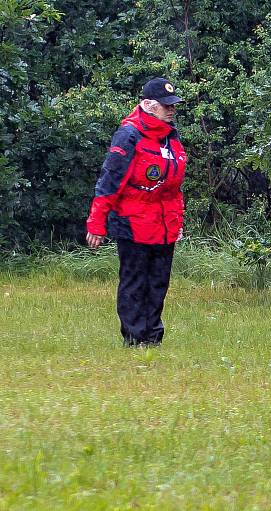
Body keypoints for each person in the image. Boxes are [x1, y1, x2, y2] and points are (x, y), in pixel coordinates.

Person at [86, 77, 187, 347]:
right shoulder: (129, 135)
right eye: (166, 106)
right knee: (135, 283)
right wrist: (96, 223)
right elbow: (109, 182)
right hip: (133, 224)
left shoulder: (171, 138)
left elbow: (174, 188)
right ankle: (134, 338)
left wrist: (177, 222)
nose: (171, 110)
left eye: (173, 105)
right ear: (147, 105)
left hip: (164, 225)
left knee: (158, 284)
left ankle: (153, 338)